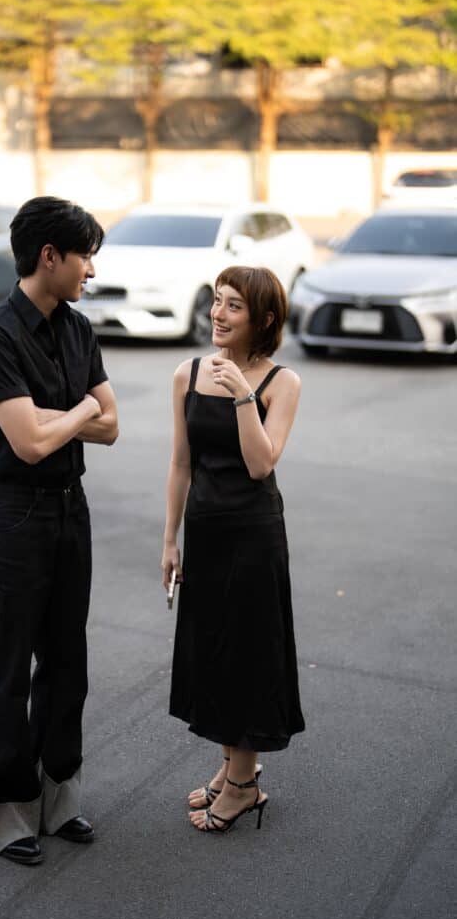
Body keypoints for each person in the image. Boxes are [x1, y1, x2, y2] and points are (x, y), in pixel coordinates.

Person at [0, 196, 118, 866]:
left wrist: (71, 415)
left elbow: (112, 428)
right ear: (49, 256)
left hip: (69, 507)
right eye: (84, 256)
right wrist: (82, 404)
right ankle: (7, 814)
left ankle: (60, 800)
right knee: (11, 668)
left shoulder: (79, 328)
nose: (91, 269)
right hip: (14, 513)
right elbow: (27, 444)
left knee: (67, 662)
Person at [161, 265, 305, 835]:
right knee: (213, 650)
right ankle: (231, 766)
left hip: (253, 534)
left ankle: (244, 785)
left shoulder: (281, 383)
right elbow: (180, 462)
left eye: (234, 307)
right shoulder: (186, 373)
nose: (219, 314)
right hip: (206, 534)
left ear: (263, 319)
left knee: (246, 652)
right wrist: (170, 539)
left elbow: (259, 463)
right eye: (217, 302)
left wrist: (244, 394)